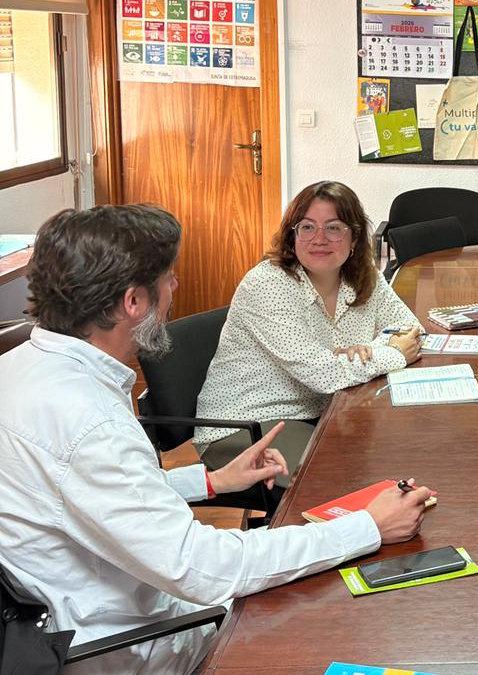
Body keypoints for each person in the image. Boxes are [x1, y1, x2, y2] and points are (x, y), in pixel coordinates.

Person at [0, 204, 434, 674]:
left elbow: (88, 495)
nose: (175, 288)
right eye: (168, 278)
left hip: (76, 608)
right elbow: (206, 569)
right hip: (130, 642)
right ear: (133, 302)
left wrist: (208, 482)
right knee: (344, 612)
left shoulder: (20, 368)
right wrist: (368, 527)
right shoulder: (90, 422)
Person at [195, 181, 423, 481]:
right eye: (307, 227)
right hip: (248, 424)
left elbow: (410, 330)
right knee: (341, 480)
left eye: (333, 227)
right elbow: (324, 374)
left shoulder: (363, 275)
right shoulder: (268, 284)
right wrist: (391, 354)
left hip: (322, 412)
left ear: (353, 237)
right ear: (292, 235)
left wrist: (370, 350)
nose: (319, 239)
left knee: (399, 456)